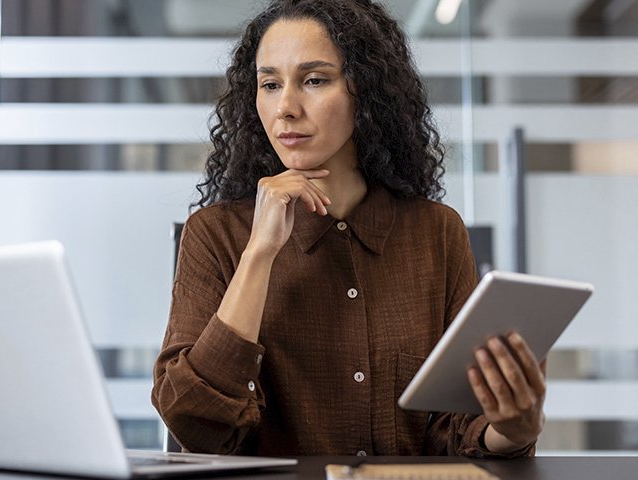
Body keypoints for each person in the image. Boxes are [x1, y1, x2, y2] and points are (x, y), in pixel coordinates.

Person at [152, 0, 545, 457]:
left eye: (314, 80)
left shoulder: (437, 233)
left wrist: (512, 432)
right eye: (270, 84)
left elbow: (455, 427)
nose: (285, 108)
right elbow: (194, 421)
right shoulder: (216, 234)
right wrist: (259, 253)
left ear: (366, 91)